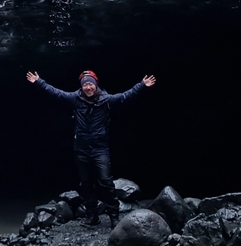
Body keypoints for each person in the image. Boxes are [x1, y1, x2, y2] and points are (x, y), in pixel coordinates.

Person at [26, 69, 156, 226]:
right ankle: (92, 216)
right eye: (85, 85)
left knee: (106, 183)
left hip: (100, 149)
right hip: (81, 149)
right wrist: (39, 82)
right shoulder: (75, 98)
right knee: (86, 184)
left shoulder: (105, 99)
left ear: (96, 85)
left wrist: (142, 85)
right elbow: (56, 93)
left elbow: (124, 97)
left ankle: (114, 217)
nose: (88, 88)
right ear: (82, 87)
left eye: (90, 84)